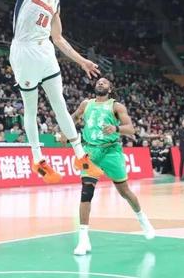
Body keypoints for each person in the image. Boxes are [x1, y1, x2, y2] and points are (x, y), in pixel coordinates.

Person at [9, 0, 102, 183]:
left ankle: (81, 156)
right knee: (31, 108)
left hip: (45, 51)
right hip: (24, 51)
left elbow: (58, 38)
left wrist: (81, 61)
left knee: (59, 103)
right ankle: (38, 160)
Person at [70, 78, 154, 256]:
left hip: (111, 151)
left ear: (110, 89)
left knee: (124, 191)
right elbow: (72, 118)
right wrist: (65, 131)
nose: (100, 84)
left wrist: (116, 128)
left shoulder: (116, 106)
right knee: (86, 193)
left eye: (105, 83)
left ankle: (142, 219)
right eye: (98, 82)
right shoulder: (86, 104)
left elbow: (130, 129)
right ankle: (83, 240)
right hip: (91, 152)